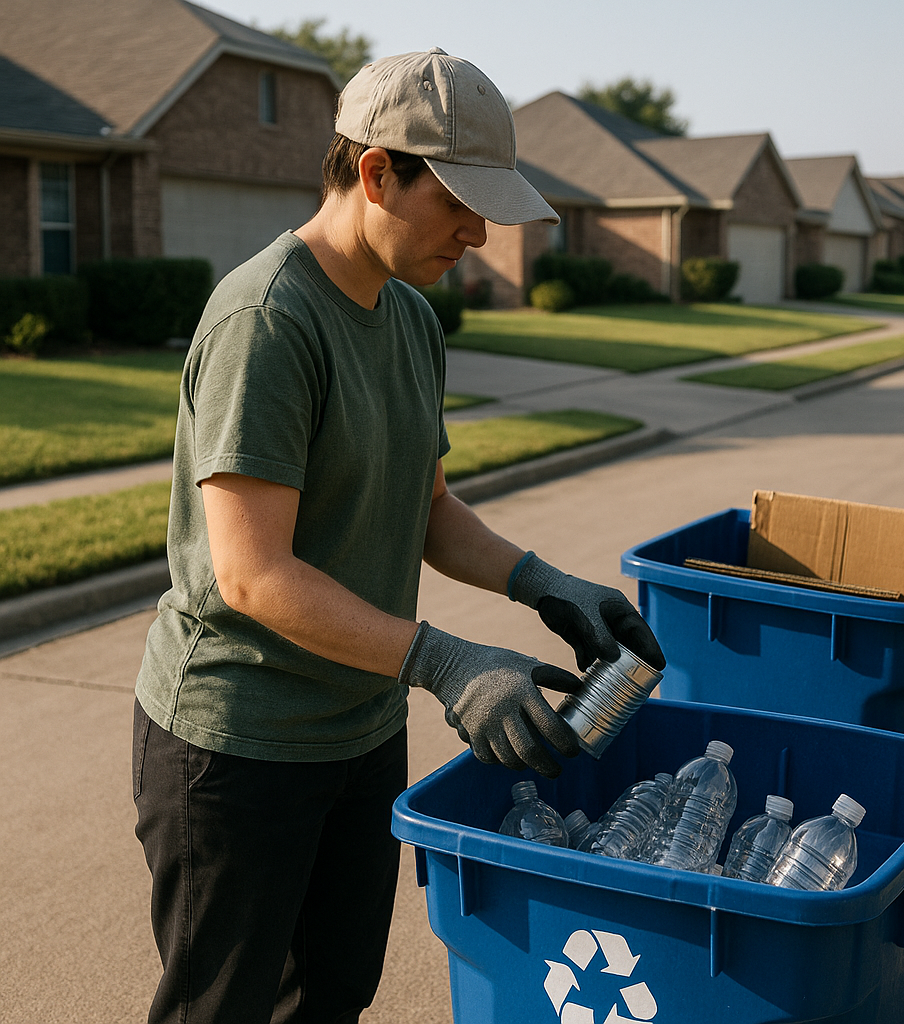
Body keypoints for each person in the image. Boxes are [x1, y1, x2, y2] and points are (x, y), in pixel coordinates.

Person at [132, 47, 664, 1024]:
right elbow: (251, 574)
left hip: (359, 731)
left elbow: (428, 513)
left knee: (332, 997)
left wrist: (544, 583)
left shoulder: (411, 320)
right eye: (459, 202)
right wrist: (447, 661)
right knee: (222, 1009)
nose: (478, 233)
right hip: (238, 746)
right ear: (376, 171)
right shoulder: (268, 317)